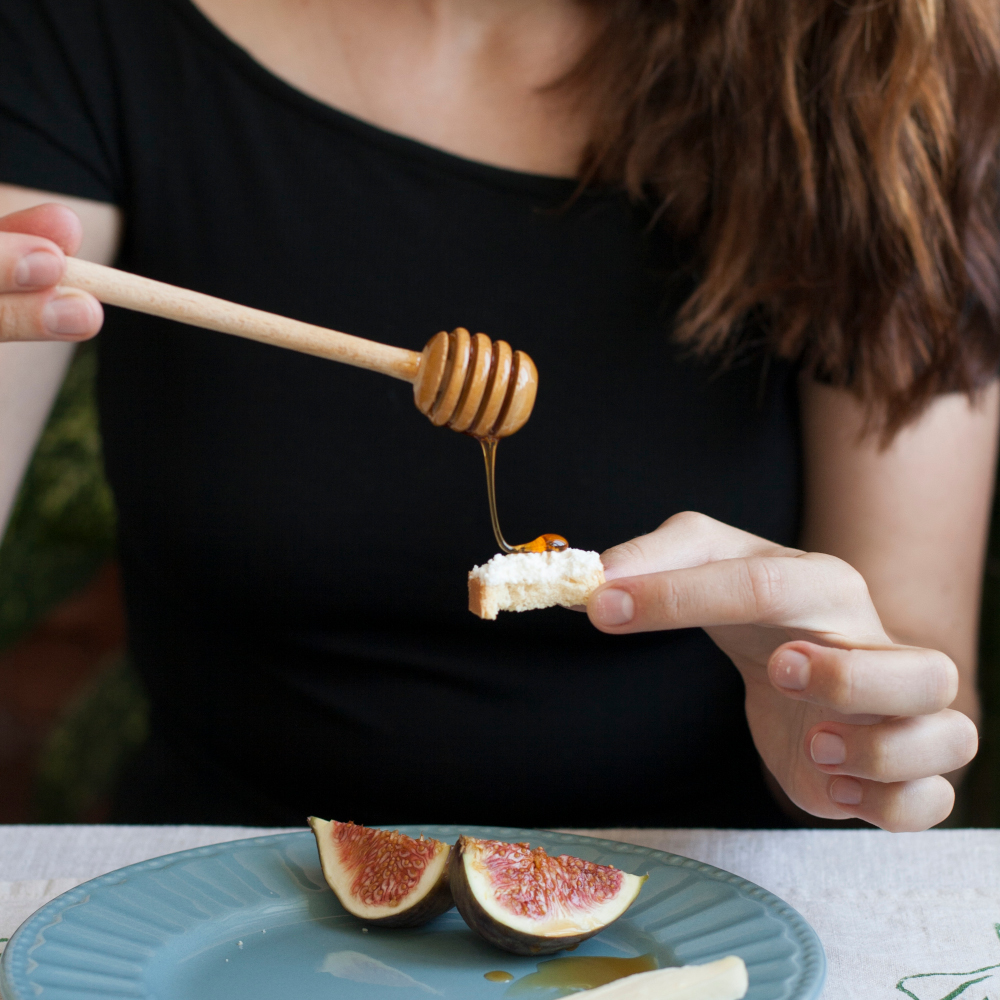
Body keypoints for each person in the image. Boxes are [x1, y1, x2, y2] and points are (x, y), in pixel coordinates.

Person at [0, 0, 993, 832]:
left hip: (693, 918)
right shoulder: (84, 26)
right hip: (219, 905)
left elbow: (913, 671)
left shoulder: (881, 60)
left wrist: (850, 727)